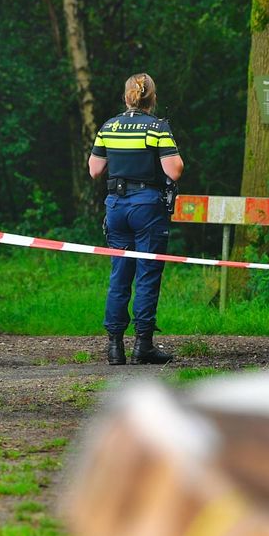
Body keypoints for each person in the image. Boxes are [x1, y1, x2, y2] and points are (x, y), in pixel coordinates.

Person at [88, 73, 184, 365]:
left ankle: (115, 347)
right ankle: (143, 345)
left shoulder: (109, 126)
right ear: (151, 98)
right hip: (147, 207)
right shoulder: (157, 128)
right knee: (147, 275)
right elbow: (175, 170)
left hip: (116, 206)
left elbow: (94, 169)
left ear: (126, 97)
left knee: (120, 275)